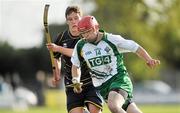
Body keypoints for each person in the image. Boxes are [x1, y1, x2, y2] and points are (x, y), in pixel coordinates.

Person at [71, 15, 160, 113]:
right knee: (131, 110)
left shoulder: (111, 39)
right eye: (83, 33)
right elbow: (75, 65)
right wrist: (76, 80)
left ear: (96, 28)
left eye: (88, 31)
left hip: (119, 79)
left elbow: (134, 47)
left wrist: (148, 59)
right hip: (103, 87)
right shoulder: (80, 45)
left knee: (113, 105)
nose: (86, 35)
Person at [46, 6, 103, 113]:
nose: (73, 22)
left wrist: (58, 48)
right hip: (72, 82)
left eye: (76, 18)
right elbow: (56, 58)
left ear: (81, 18)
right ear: (67, 21)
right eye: (70, 19)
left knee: (95, 111)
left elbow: (79, 53)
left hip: (92, 80)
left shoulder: (87, 35)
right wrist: (56, 73)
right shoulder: (61, 38)